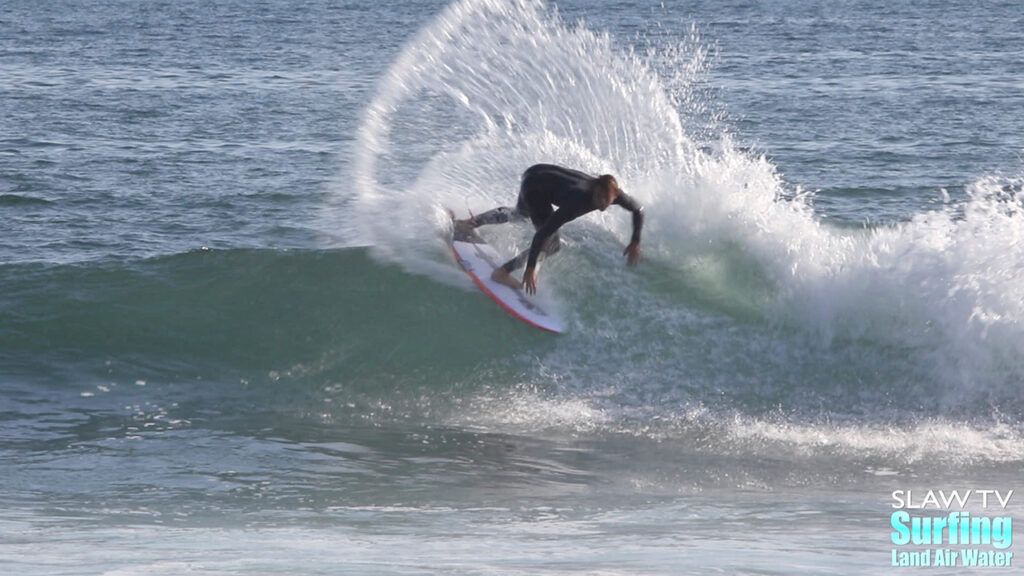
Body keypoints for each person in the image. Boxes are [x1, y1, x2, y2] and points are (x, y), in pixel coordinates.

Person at [456, 163, 644, 294]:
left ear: (615, 195)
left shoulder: (616, 195)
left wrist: (635, 240)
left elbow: (638, 210)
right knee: (552, 245)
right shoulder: (576, 202)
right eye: (599, 198)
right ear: (595, 190)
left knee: (520, 214)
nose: (603, 204)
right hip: (535, 188)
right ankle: (502, 272)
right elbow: (542, 234)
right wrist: (530, 267)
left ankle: (468, 223)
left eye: (607, 199)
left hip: (535, 173)